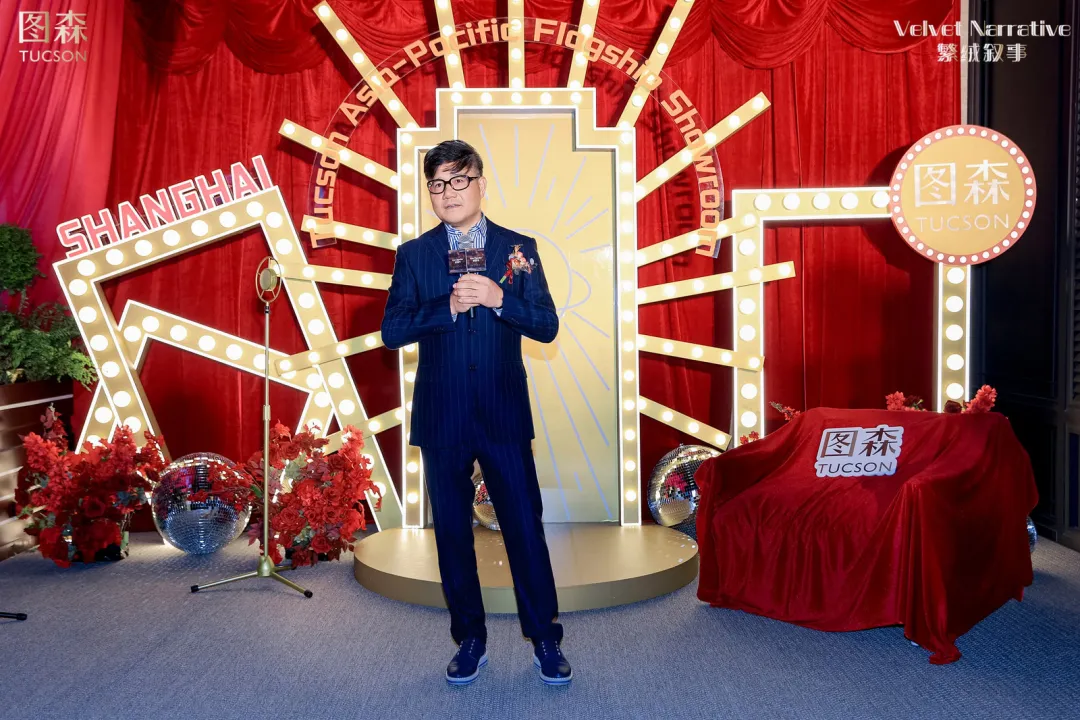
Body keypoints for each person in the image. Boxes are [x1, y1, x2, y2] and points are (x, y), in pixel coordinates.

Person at [381, 139, 571, 686]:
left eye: (459, 180)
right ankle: (469, 637)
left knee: (524, 527)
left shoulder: (517, 248)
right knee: (452, 534)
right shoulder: (414, 255)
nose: (449, 192)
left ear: (480, 184)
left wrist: (498, 298)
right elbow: (393, 330)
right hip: (442, 415)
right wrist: (445, 306)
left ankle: (544, 638)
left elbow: (547, 325)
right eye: (438, 184)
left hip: (503, 412)